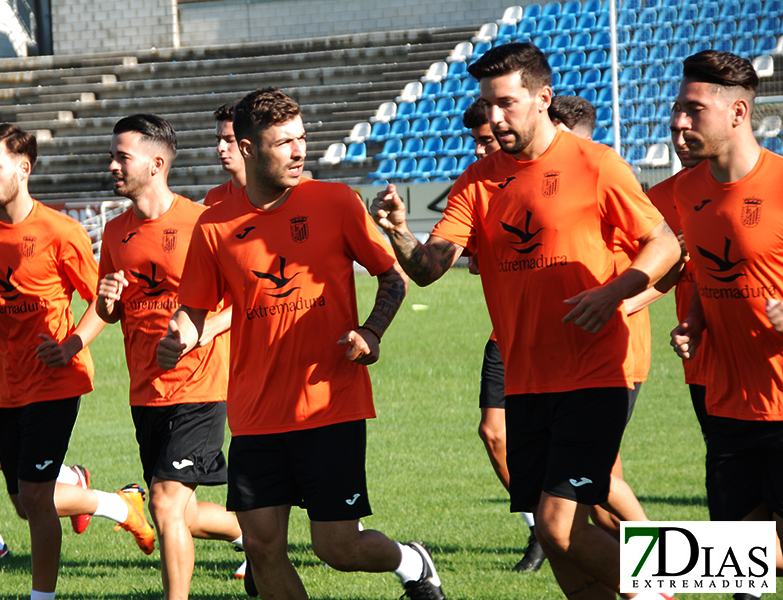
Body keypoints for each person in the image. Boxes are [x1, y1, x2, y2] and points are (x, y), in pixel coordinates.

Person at [371, 43, 680, 600]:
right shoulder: (477, 181)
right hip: (526, 381)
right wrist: (398, 230)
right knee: (558, 535)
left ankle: (665, 588)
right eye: (487, 104)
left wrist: (615, 292)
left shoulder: (596, 164)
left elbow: (663, 244)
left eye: (506, 104)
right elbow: (429, 269)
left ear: (543, 99)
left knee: (560, 528)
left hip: (593, 374)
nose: (493, 118)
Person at [160, 87, 444, 600]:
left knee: (337, 549)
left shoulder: (334, 201)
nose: (298, 151)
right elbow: (195, 311)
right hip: (255, 410)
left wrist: (371, 332)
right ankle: (642, 582)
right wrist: (177, 335)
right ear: (248, 149)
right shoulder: (214, 226)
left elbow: (395, 276)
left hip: (327, 405)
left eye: (302, 138)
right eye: (283, 141)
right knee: (263, 550)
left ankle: (412, 561)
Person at [0, 123, 153, 600]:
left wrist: (71, 346)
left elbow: (103, 304)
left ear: (23, 168)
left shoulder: (61, 232)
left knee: (36, 498)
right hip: (2, 382)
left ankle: (42, 597)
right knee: (23, 502)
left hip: (56, 381)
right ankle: (119, 506)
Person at [97, 114, 245, 599]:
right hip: (146, 390)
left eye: (123, 156)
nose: (113, 165)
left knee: (163, 503)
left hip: (200, 388)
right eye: (113, 155)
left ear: (156, 164)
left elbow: (242, 305)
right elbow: (114, 314)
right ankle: (254, 533)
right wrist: (107, 300)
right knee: (180, 512)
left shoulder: (202, 223)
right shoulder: (115, 231)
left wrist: (197, 336)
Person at [669, 50, 783, 587]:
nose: (678, 122)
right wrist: (695, 319)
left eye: (694, 110)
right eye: (677, 108)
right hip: (727, 404)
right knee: (736, 564)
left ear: (738, 113)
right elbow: (713, 269)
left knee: (752, 553)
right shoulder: (687, 191)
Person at [461, 97, 546, 573]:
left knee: (602, 485)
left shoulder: (569, 176)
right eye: (475, 142)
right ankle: (540, 529)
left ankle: (658, 570)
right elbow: (465, 258)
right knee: (494, 432)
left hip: (572, 342)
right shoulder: (480, 188)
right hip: (506, 338)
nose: (479, 150)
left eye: (486, 141)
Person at [648, 120, 712, 441]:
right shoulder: (658, 196)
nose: (681, 139)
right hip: (695, 346)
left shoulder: (767, 182)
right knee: (719, 449)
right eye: (674, 131)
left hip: (757, 343)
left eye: (689, 129)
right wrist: (674, 253)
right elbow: (644, 271)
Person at [203, 99, 246, 207]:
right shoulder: (214, 198)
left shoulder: (277, 194)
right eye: (218, 140)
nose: (220, 148)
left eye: (229, 140)